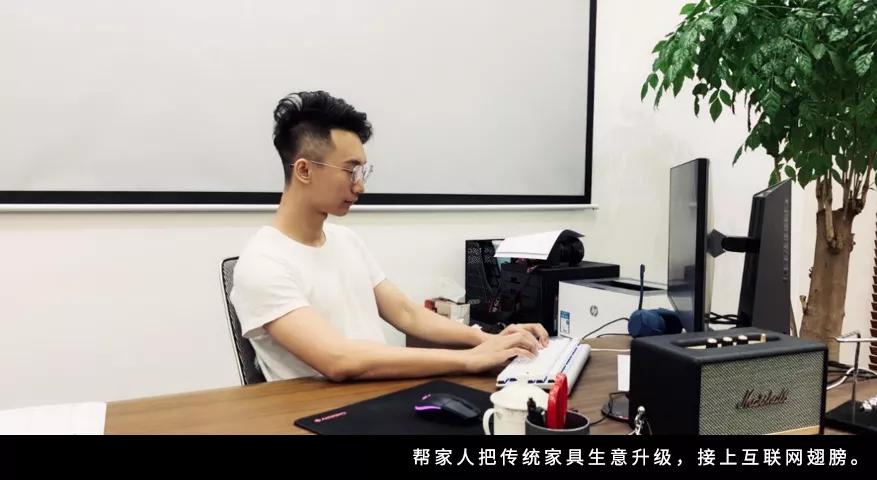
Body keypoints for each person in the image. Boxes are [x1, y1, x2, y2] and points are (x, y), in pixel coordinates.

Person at [230, 91, 547, 382]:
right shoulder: (262, 264)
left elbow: (407, 314)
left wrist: (489, 339)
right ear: (304, 171)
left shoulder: (346, 240)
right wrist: (470, 359)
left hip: (378, 396)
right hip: (319, 413)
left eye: (362, 172)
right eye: (351, 171)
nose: (360, 186)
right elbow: (338, 360)